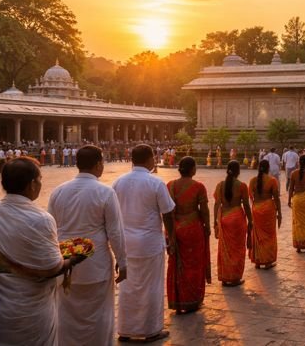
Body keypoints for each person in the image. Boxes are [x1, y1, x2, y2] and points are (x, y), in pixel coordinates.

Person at [0, 157, 83, 345]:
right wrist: (74, 259)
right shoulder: (41, 219)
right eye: (40, 179)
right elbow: (52, 267)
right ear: (32, 184)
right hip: (30, 312)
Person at [48, 145, 127, 345]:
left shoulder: (58, 192)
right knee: (99, 316)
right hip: (96, 263)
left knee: (67, 315)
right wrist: (122, 262)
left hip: (65, 264)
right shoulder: (105, 192)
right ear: (99, 163)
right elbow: (115, 232)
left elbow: (51, 231)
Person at [112, 144, 175, 342]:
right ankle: (150, 330)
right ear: (149, 159)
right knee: (151, 287)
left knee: (128, 287)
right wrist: (171, 238)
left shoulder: (118, 182)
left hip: (126, 243)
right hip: (149, 242)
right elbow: (168, 213)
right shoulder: (155, 183)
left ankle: (126, 329)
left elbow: (113, 217)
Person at [166, 156, 211, 313]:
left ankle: (178, 300)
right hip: (193, 229)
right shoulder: (198, 187)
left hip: (175, 229)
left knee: (176, 263)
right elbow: (204, 210)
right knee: (194, 264)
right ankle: (192, 298)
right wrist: (207, 226)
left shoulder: (170, 185)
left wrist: (169, 233)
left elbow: (167, 211)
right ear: (192, 169)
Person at [213, 161, 252, 286]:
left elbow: (216, 204)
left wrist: (215, 220)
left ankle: (225, 276)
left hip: (224, 218)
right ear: (238, 171)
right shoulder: (241, 186)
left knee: (224, 249)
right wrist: (251, 220)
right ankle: (234, 277)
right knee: (237, 249)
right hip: (237, 219)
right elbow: (246, 205)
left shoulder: (220, 185)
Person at [248, 159, 281, 269]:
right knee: (269, 235)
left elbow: (251, 196)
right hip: (268, 209)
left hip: (256, 209)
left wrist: (256, 206)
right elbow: (276, 198)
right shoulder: (272, 180)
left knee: (257, 236)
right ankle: (267, 261)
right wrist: (279, 213)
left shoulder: (253, 180)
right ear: (268, 168)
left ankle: (258, 260)